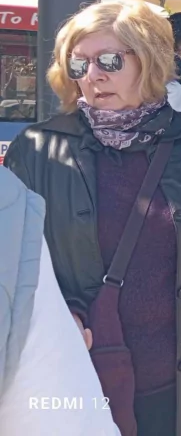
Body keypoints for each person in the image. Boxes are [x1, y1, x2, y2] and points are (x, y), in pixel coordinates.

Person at [4, 0, 181, 436]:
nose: (93, 75)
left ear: (149, 60)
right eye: (79, 64)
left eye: (109, 60)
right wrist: (64, 313)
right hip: (80, 378)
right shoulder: (36, 150)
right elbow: (14, 267)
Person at [0, 167, 121, 435]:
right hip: (88, 355)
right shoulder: (20, 178)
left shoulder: (9, 203)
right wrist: (68, 308)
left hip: (177, 370)